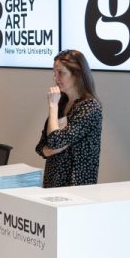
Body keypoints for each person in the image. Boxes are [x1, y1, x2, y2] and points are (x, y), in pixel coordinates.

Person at [35, 49, 103, 188]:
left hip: (76, 186)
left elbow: (54, 141)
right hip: (52, 182)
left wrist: (52, 105)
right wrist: (53, 149)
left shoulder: (90, 107)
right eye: (54, 73)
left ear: (77, 74)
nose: (56, 78)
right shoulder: (62, 103)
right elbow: (41, 146)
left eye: (61, 73)